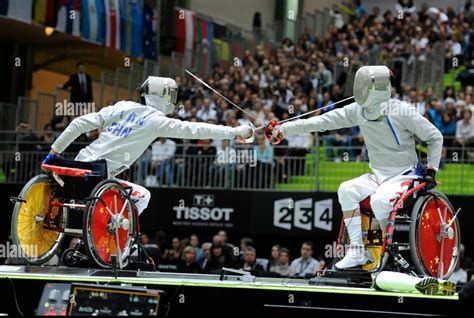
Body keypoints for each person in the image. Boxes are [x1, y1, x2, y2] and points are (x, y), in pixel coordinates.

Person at [270, 66, 443, 269]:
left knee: (379, 201)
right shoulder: (357, 110)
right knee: (346, 190)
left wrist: (431, 169)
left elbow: (434, 136)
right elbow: (321, 121)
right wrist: (284, 128)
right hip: (378, 175)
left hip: (405, 174)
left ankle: (388, 253)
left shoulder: (402, 110)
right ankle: (358, 251)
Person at [42, 76, 253, 216]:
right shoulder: (156, 121)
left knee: (118, 186)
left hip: (77, 168)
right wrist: (234, 132)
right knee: (143, 197)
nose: (172, 100)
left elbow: (78, 123)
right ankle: (113, 233)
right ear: (160, 96)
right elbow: (195, 129)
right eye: (169, 96)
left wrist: (53, 153)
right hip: (99, 178)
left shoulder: (122, 106)